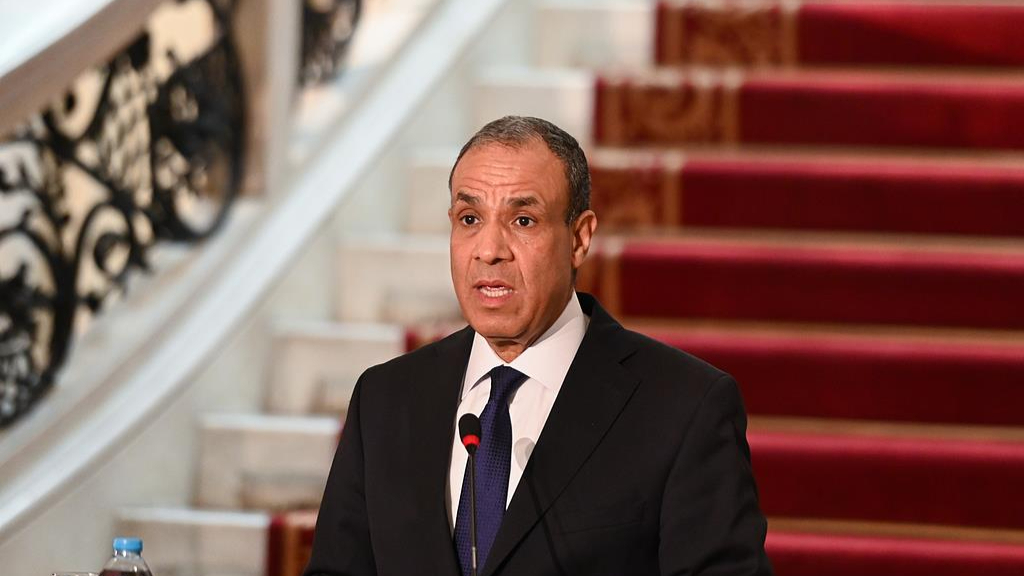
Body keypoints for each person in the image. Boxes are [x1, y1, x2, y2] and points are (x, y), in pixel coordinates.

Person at [303, 116, 772, 576]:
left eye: (523, 220)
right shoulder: (385, 399)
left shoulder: (683, 407)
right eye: (469, 219)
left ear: (579, 238)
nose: (489, 250)